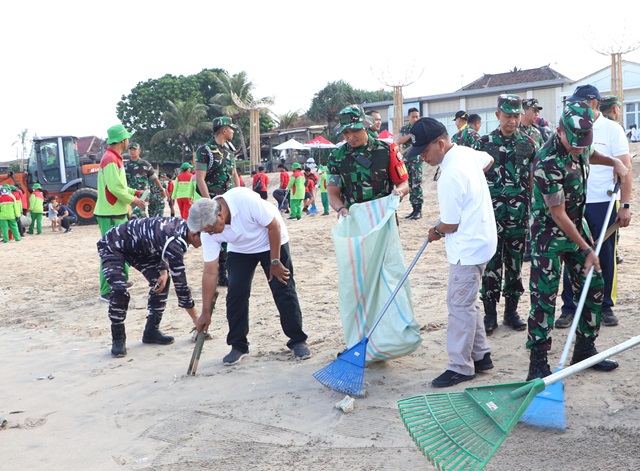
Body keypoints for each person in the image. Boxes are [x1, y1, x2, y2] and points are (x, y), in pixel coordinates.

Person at [525, 101, 629, 380]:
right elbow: (557, 215)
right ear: (559, 131)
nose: (579, 149)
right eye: (575, 144)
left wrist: (614, 162)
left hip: (576, 224)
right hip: (549, 232)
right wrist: (587, 249)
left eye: (584, 143)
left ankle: (584, 348)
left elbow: (591, 153)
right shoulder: (546, 162)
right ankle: (537, 363)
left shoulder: (580, 142)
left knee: (594, 285)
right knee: (544, 297)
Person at [406, 118, 496, 387]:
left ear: (441, 144)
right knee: (467, 302)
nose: (422, 157)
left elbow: (450, 224)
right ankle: (481, 356)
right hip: (483, 239)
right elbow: (488, 160)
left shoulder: (450, 175)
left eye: (424, 151)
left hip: (467, 248)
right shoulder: (466, 153)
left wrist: (435, 230)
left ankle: (460, 366)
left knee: (458, 306)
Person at [187, 188, 311, 365]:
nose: (210, 234)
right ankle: (238, 345)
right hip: (240, 249)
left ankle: (297, 340)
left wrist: (275, 262)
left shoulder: (244, 201)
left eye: (211, 230)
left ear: (220, 216)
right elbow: (210, 272)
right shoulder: (208, 229)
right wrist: (205, 312)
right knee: (236, 294)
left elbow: (273, 226)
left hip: (272, 240)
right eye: (205, 231)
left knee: (283, 288)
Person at [558, 85, 632, 328]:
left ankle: (605, 307)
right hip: (575, 201)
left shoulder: (612, 130)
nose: (572, 107)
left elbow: (625, 169)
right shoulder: (569, 124)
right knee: (572, 252)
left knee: (605, 253)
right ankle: (569, 307)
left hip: (603, 200)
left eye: (578, 103)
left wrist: (626, 205)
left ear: (592, 102)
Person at [473, 95, 537, 335]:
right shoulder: (483, 144)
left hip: (519, 216)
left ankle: (511, 311)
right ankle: (490, 315)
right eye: (508, 115)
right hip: (490, 217)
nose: (512, 121)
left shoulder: (528, 143)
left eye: (516, 116)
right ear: (498, 114)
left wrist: (534, 210)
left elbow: (533, 179)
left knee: (515, 265)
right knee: (491, 265)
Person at [97, 217, 201, 358]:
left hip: (139, 249)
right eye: (204, 240)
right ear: (194, 234)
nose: (203, 245)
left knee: (161, 281)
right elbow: (181, 286)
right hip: (112, 245)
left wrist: (163, 271)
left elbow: (160, 246)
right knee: (119, 289)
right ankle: (118, 338)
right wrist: (197, 320)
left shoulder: (182, 228)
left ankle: (151, 331)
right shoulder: (176, 240)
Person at [95, 124, 146, 302]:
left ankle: (119, 282)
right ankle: (106, 290)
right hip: (110, 213)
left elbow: (120, 186)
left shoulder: (113, 158)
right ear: (123, 140)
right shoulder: (110, 159)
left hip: (116, 212)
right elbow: (115, 188)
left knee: (122, 250)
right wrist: (134, 200)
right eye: (127, 138)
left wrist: (134, 192)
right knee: (110, 252)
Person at [329, 104, 409, 217]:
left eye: (355, 130)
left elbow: (403, 183)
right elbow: (333, 193)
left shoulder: (387, 150)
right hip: (352, 218)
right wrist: (340, 208)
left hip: (382, 217)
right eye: (346, 132)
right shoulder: (336, 156)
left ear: (365, 127)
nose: (350, 137)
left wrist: (399, 191)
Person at [195, 116, 241, 287]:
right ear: (224, 130)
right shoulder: (205, 150)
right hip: (213, 200)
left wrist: (239, 194)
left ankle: (227, 272)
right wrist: (208, 203)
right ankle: (219, 274)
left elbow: (235, 175)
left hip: (229, 202)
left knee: (230, 235)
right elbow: (200, 178)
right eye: (231, 128)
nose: (233, 131)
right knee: (214, 236)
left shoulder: (229, 152)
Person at [125, 143, 166, 219]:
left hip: (143, 195)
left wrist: (161, 190)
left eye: (134, 149)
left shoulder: (145, 164)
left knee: (139, 213)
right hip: (130, 195)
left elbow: (154, 178)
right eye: (130, 150)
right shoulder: (125, 165)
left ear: (139, 151)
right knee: (133, 215)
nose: (132, 151)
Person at [394, 107, 422, 219]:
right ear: (408, 117)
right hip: (406, 161)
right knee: (409, 184)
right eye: (413, 117)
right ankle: (413, 209)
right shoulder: (406, 128)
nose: (415, 119)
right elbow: (399, 140)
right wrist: (410, 135)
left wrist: (404, 151)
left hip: (416, 160)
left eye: (417, 117)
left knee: (416, 183)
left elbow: (415, 144)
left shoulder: (420, 128)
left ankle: (418, 210)